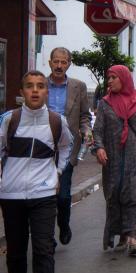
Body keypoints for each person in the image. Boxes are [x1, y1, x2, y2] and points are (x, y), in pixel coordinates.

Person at [0, 71, 73, 273]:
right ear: (22, 91)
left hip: (43, 195)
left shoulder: (57, 121)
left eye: (40, 86)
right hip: (12, 195)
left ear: (46, 92)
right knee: (17, 252)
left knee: (44, 249)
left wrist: (59, 172)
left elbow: (66, 147)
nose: (35, 91)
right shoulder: (9, 120)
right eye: (30, 86)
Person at [93, 65, 136, 255]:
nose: (109, 81)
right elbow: (98, 130)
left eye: (113, 77)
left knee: (133, 195)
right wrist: (99, 147)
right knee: (114, 196)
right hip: (112, 159)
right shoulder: (105, 103)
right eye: (108, 78)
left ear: (123, 78)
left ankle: (134, 237)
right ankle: (122, 235)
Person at [44, 47, 91, 246]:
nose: (59, 66)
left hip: (68, 147)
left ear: (69, 64)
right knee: (45, 197)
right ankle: (47, 238)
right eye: (56, 61)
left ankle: (63, 225)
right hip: (42, 149)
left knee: (62, 196)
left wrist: (87, 129)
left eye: (64, 62)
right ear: (50, 63)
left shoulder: (78, 86)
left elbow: (84, 116)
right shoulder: (40, 85)